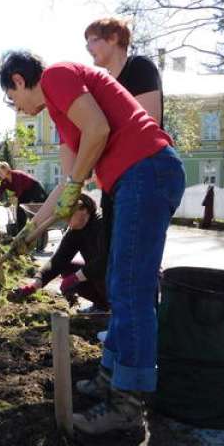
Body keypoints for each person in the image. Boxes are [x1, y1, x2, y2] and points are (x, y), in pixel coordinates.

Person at [0, 50, 185, 435]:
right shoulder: (61, 116)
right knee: (120, 283)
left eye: (12, 98)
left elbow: (98, 131)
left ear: (19, 79)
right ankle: (110, 375)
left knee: (132, 290)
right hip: (132, 179)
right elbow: (66, 182)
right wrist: (29, 232)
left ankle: (127, 404)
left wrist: (75, 184)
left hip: (147, 170)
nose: (16, 108)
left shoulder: (57, 75)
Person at [85, 16, 164, 304]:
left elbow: (148, 122)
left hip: (141, 174)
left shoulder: (139, 68)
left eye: (93, 39)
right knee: (115, 259)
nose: (88, 47)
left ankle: (145, 338)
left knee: (138, 264)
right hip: (115, 181)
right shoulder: (103, 84)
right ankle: (120, 330)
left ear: (114, 38)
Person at [8, 193, 109, 313]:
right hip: (101, 275)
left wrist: (76, 278)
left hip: (118, 276)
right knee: (68, 267)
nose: (65, 218)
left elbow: (105, 261)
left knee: (96, 272)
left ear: (84, 210)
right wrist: (33, 285)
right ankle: (102, 305)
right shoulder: (75, 231)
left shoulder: (102, 224)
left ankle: (117, 306)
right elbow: (58, 261)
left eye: (69, 214)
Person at [0, 162, 47, 233]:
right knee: (20, 210)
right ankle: (20, 232)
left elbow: (18, 191)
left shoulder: (16, 175)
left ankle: (45, 227)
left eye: (0, 172)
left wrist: (10, 201)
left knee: (42, 208)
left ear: (6, 169)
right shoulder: (4, 182)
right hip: (24, 192)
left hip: (35, 188)